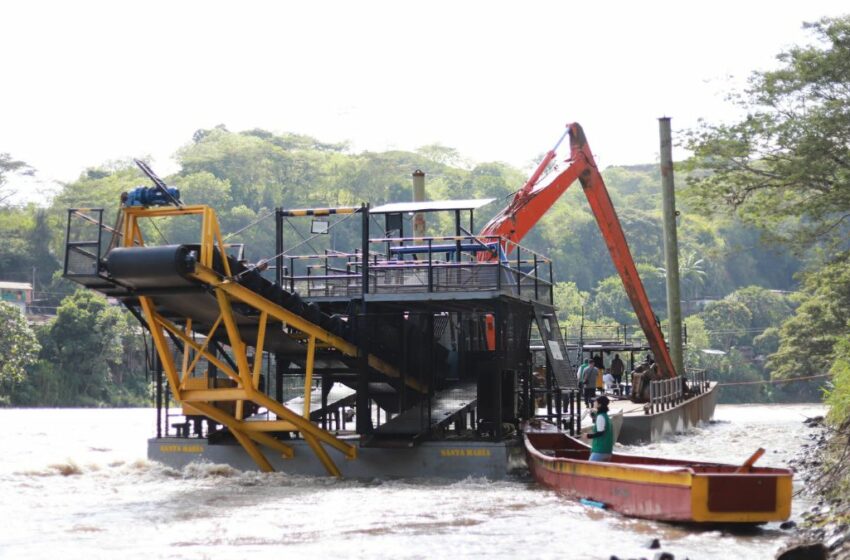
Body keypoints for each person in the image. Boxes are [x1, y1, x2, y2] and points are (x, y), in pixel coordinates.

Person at [583, 395, 614, 461]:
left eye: (595, 401)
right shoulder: (605, 416)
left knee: (589, 469)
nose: (594, 402)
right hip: (607, 450)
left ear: (599, 404)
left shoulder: (600, 417)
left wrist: (588, 436)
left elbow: (600, 432)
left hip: (600, 451)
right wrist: (594, 415)